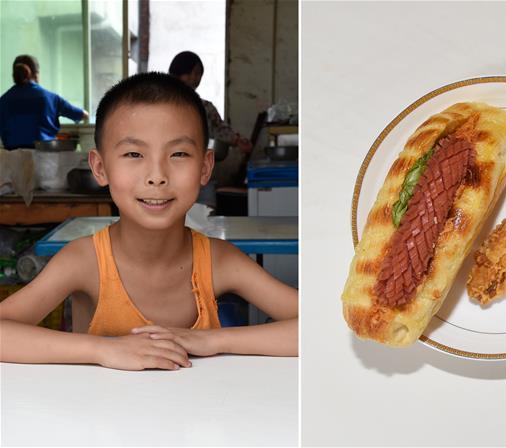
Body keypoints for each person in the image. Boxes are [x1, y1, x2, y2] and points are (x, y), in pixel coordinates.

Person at [0, 72, 297, 370]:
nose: (157, 175)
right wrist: (104, 350)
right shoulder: (84, 261)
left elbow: (320, 323)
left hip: (197, 414)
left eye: (178, 153)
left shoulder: (219, 261)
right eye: (134, 153)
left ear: (205, 168)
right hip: (99, 415)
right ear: (100, 168)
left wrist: (214, 340)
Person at [0, 55, 89, 149]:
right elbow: (83, 115)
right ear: (36, 74)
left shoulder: (3, 100)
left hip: (10, 159)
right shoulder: (50, 98)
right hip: (43, 157)